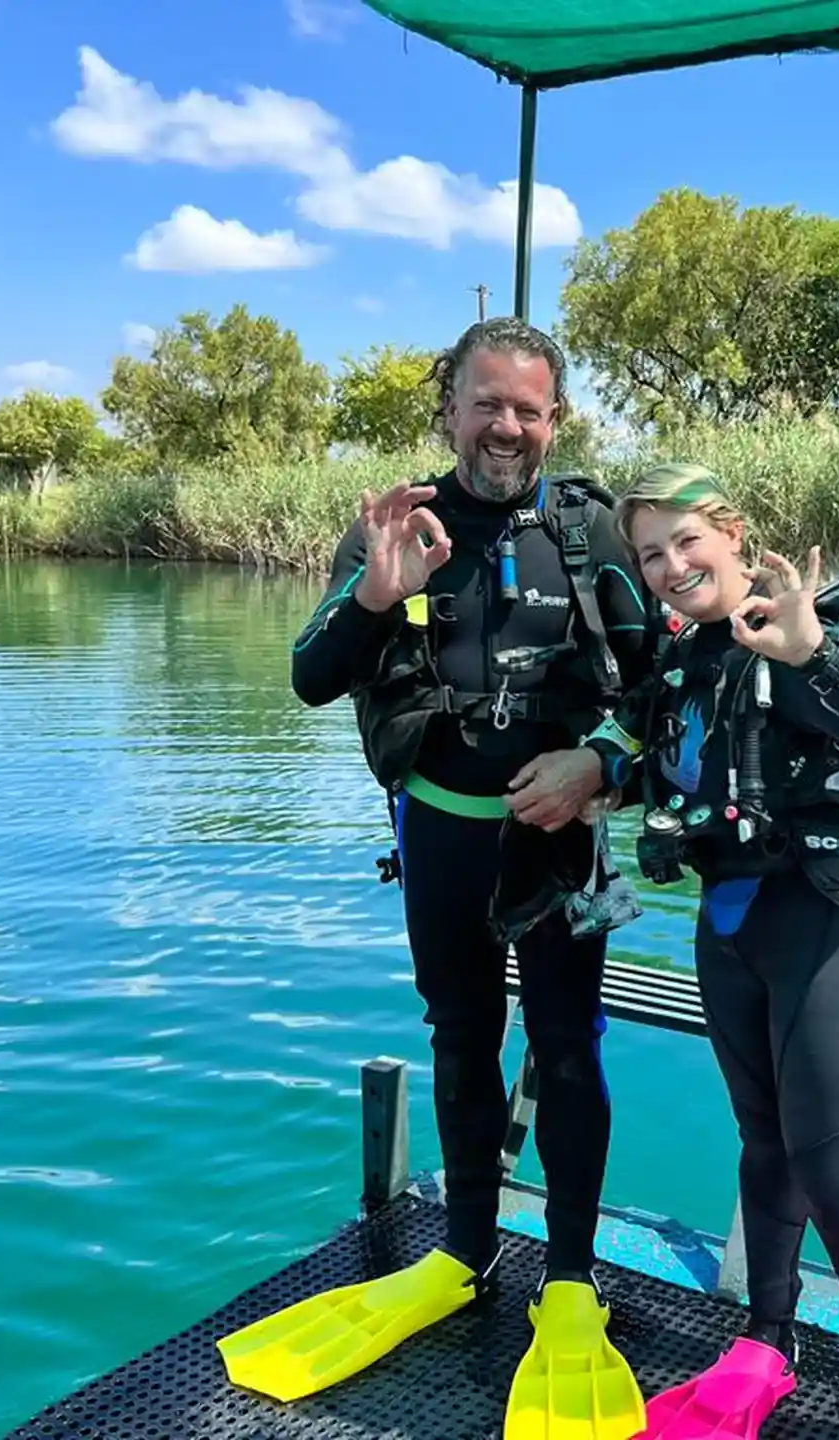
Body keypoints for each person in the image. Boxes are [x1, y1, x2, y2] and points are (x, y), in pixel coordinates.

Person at [215, 318, 659, 1430]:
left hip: (569, 844)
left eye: (530, 408)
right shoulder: (395, 525)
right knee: (459, 1038)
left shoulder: (593, 527)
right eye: (487, 402)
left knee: (568, 1045)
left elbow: (670, 697)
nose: (508, 427)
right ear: (449, 407)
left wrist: (598, 764)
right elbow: (312, 677)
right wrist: (374, 593)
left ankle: (568, 1276)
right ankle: (463, 1254)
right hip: (440, 838)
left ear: (554, 420)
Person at [576, 463, 839, 1440]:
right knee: (764, 1147)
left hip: (833, 927)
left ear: (734, 534)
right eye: (650, 554)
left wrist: (816, 653)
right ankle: (766, 1343)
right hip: (731, 925)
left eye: (686, 542)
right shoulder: (684, 659)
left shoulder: (797, 631)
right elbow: (668, 763)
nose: (668, 566)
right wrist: (584, 770)